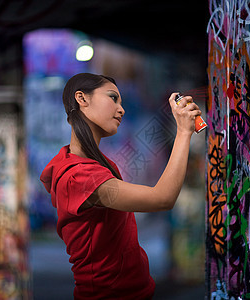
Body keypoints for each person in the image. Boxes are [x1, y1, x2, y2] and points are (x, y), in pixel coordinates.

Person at [40, 73, 202, 299]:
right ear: (82, 99)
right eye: (113, 98)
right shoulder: (81, 177)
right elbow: (162, 198)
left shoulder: (85, 164)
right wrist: (184, 133)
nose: (121, 109)